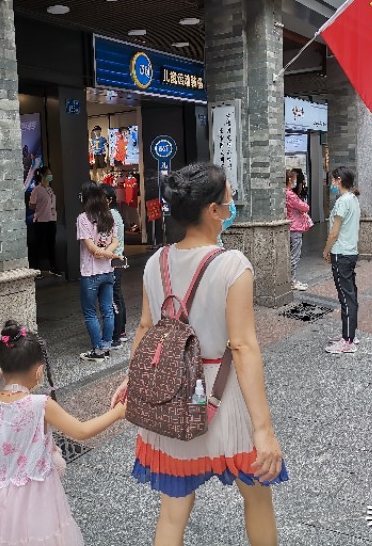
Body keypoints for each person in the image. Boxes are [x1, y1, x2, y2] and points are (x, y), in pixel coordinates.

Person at [111, 162, 287, 546]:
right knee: (256, 496)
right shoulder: (232, 265)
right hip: (223, 398)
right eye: (229, 200)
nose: (232, 205)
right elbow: (242, 346)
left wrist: (135, 378)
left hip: (172, 396)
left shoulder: (156, 262)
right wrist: (263, 428)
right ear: (212, 211)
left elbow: (145, 328)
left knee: (173, 512)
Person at [0, 321, 126, 545]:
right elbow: (82, 430)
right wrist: (118, 413)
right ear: (39, 372)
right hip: (38, 497)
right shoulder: (41, 405)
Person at [77, 182, 120, 361]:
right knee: (108, 310)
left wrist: (101, 253)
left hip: (91, 274)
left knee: (90, 312)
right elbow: (115, 242)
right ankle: (107, 347)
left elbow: (91, 248)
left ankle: (98, 351)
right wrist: (109, 254)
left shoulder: (83, 218)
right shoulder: (109, 216)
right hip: (108, 272)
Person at [322, 166, 361, 355]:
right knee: (351, 294)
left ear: (338, 180)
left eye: (332, 180)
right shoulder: (353, 199)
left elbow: (334, 233)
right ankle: (350, 334)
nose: (331, 184)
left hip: (341, 253)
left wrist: (326, 250)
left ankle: (348, 341)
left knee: (346, 297)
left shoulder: (341, 202)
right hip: (351, 252)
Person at [102, 184, 128, 349]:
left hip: (113, 262)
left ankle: (116, 336)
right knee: (118, 297)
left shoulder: (110, 215)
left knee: (114, 299)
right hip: (118, 260)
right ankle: (122, 332)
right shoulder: (116, 214)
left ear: (109, 200)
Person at [28, 166, 60, 276]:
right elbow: (31, 205)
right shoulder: (37, 190)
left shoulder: (50, 189)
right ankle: (37, 269)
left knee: (51, 244)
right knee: (39, 245)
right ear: (42, 175)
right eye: (48, 174)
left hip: (51, 219)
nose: (50, 176)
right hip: (41, 220)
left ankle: (53, 266)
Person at [285, 169, 312, 291]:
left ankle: (291, 280)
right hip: (295, 228)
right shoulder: (290, 194)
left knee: (291, 255)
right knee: (294, 256)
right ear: (290, 180)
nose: (296, 182)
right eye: (294, 180)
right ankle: (292, 281)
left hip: (289, 227)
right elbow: (304, 207)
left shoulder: (284, 193)